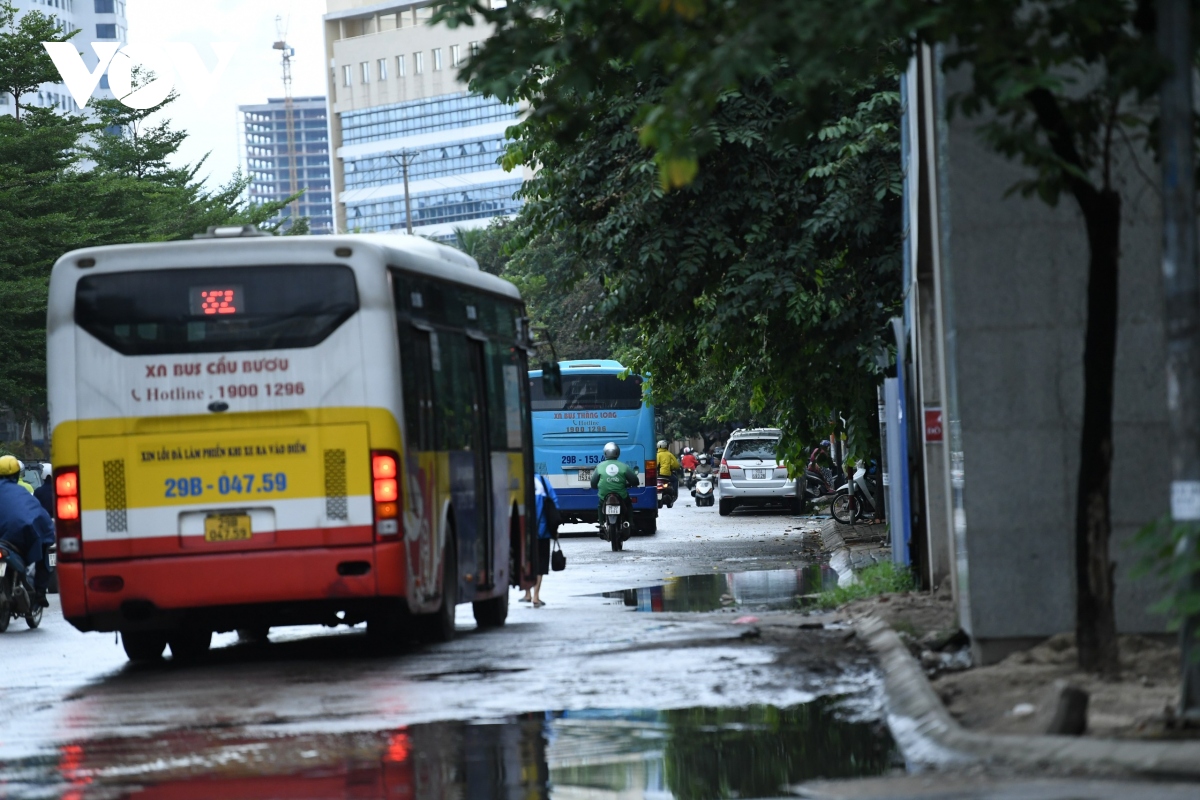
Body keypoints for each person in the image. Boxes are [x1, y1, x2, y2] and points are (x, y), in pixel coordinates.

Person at [0, 455, 53, 608]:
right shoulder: (25, 491)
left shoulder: (30, 491)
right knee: (44, 547)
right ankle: (40, 592)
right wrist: (48, 535)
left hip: (9, 541)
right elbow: (41, 518)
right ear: (17, 474)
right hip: (17, 539)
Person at [521, 473, 559, 608]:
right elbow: (554, 503)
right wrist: (554, 529)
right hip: (543, 531)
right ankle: (536, 596)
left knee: (526, 561)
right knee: (540, 564)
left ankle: (527, 594)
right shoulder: (543, 481)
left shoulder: (520, 478)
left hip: (524, 532)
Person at [590, 442, 640, 526]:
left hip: (604, 494)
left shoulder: (600, 466)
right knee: (628, 503)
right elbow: (635, 481)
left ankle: (601, 523)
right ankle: (631, 522)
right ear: (618, 453)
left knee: (600, 504)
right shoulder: (623, 466)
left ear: (605, 453)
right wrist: (630, 484)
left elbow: (593, 484)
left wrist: (596, 486)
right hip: (621, 495)